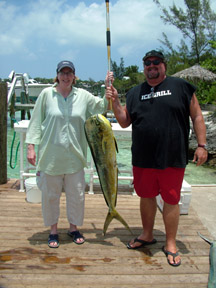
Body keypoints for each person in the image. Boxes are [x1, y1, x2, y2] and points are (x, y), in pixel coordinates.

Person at [105, 50, 208, 267]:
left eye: (156, 62)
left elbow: (197, 115)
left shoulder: (180, 86)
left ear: (164, 65)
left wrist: (201, 145)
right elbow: (124, 122)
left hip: (172, 155)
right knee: (146, 196)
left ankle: (170, 243)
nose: (152, 66)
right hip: (143, 158)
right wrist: (115, 101)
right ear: (144, 68)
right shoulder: (134, 92)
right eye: (147, 63)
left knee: (171, 200)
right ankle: (147, 235)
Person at [26, 60, 110, 248]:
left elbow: (101, 107)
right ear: (57, 75)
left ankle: (73, 228)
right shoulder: (47, 95)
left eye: (69, 73)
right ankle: (53, 230)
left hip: (75, 157)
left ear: (74, 76)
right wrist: (30, 147)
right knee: (50, 196)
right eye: (62, 73)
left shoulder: (83, 95)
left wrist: (108, 87)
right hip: (51, 157)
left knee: (77, 195)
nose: (66, 76)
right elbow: (35, 122)